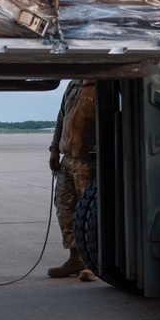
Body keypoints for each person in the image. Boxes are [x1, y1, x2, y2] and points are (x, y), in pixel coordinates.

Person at [48, 79, 97, 280]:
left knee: (89, 214)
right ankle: (76, 258)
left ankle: (94, 263)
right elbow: (62, 119)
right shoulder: (73, 85)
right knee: (65, 210)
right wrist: (53, 150)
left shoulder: (104, 84)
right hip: (68, 159)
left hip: (90, 160)